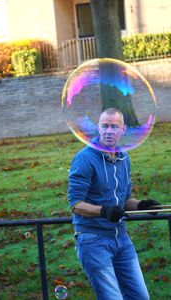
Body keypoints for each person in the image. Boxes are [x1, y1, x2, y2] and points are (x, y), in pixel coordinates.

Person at [68, 108, 160, 300]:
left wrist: (142, 205)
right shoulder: (85, 158)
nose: (109, 131)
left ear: (123, 130)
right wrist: (104, 211)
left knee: (141, 297)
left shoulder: (124, 158)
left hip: (121, 239)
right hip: (93, 240)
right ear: (98, 128)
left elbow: (125, 200)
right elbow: (76, 204)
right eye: (105, 126)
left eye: (114, 127)